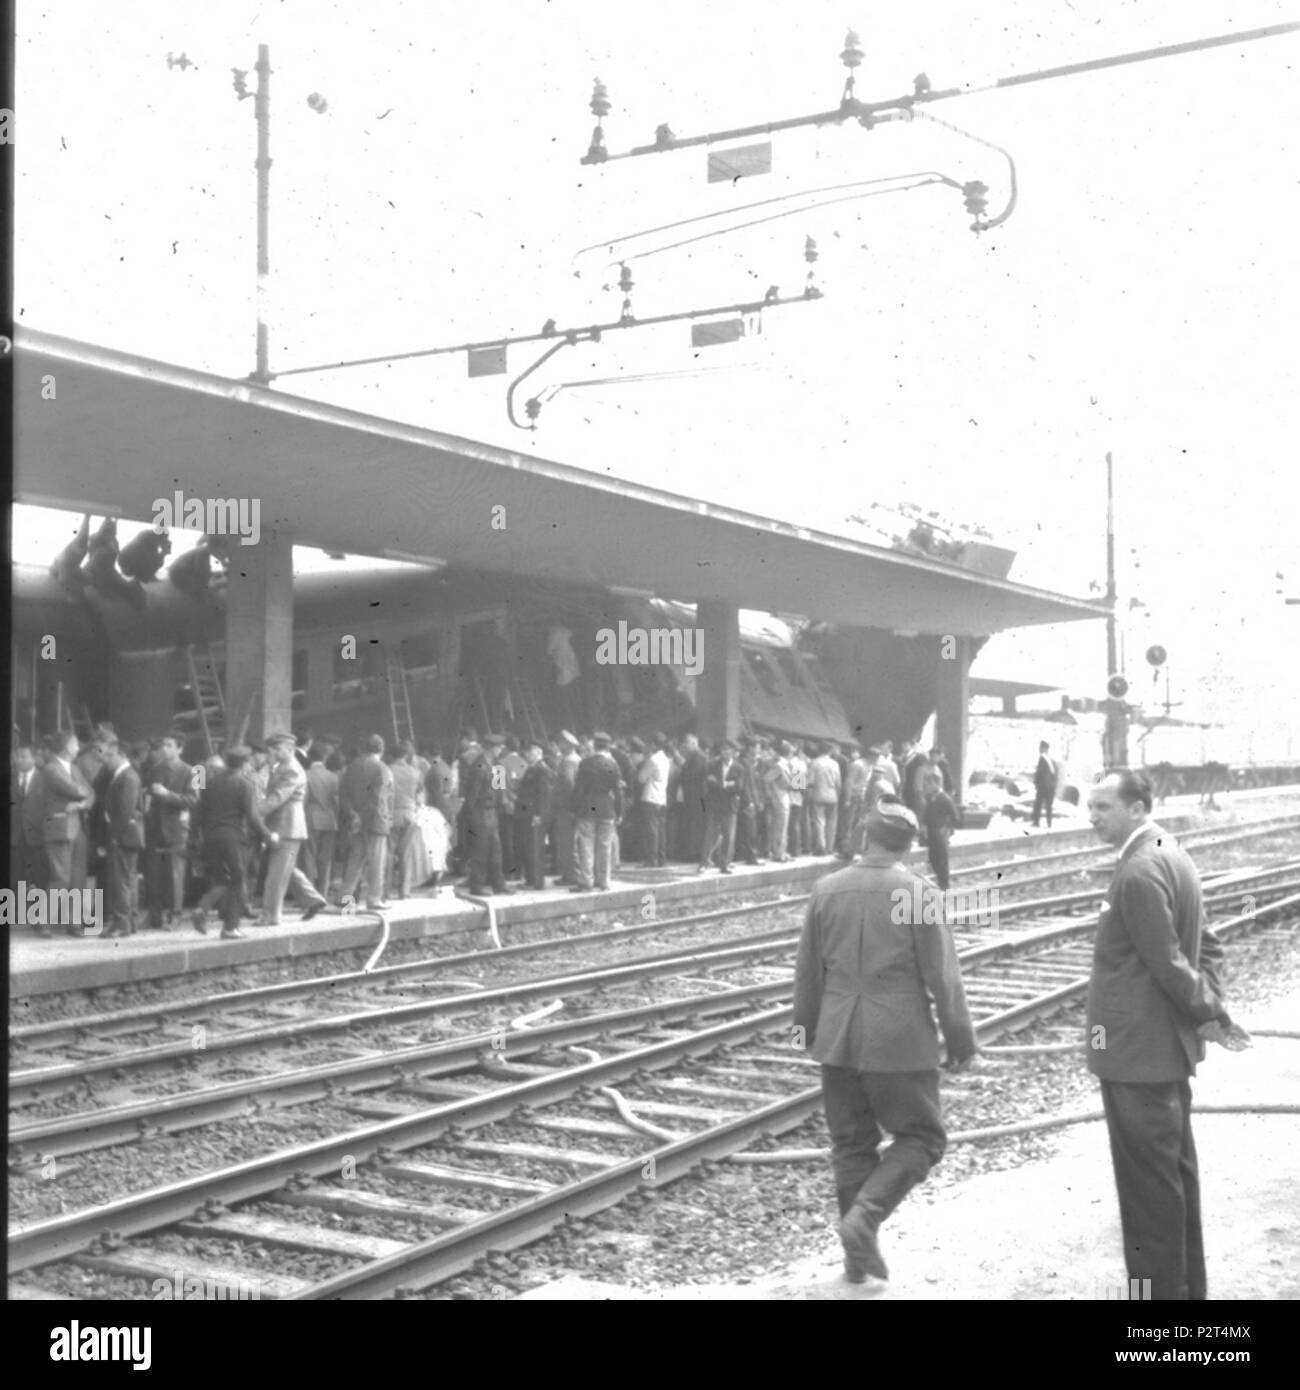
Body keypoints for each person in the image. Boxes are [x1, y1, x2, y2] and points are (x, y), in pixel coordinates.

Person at [793, 800, 977, 1285]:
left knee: (852, 1146)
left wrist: (808, 1033)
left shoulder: (826, 889)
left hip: (837, 1038)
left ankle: (856, 1264)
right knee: (922, 1137)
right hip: (898, 1040)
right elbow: (943, 978)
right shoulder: (916, 892)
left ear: (863, 835)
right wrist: (960, 1039)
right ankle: (865, 1218)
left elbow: (808, 973)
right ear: (910, 844)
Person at [1086, 769, 1249, 1301]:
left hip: (1136, 1055)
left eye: (1104, 807)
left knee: (1147, 1191)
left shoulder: (1138, 870)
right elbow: (1209, 946)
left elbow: (1170, 962)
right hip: (1163, 1051)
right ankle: (1185, 1298)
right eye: (1091, 807)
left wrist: (1212, 1013)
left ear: (1137, 808)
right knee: (1174, 1178)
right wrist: (1209, 1009)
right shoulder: (1172, 852)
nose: (1093, 818)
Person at [193, 745, 278, 939]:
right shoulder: (244, 784)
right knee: (238, 881)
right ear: (245, 763)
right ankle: (230, 927)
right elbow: (253, 817)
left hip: (211, 837)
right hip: (233, 839)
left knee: (222, 879)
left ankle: (203, 908)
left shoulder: (211, 782)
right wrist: (269, 835)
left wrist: (195, 837)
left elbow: (199, 811)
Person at [258, 732, 328, 925]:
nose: (272, 751)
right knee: (285, 868)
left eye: (277, 748)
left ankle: (271, 916)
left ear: (290, 749)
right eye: (271, 748)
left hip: (286, 825)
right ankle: (313, 900)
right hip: (284, 825)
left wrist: (253, 812)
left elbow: (277, 798)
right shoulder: (281, 767)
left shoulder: (291, 770)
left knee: (276, 874)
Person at [38, 730, 95, 933]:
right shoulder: (51, 769)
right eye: (76, 744)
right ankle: (44, 922)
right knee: (61, 877)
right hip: (60, 827)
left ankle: (75, 922)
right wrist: (84, 796)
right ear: (66, 747)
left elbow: (91, 793)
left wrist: (81, 805)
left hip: (78, 827)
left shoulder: (74, 768)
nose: (78, 747)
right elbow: (78, 790)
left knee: (78, 877)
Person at [144, 731, 197, 930]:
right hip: (155, 827)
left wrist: (167, 794)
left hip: (177, 829)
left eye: (169, 745)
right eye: (163, 745)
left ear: (180, 749)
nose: (165, 749)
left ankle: (175, 915)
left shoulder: (192, 771)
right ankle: (154, 915)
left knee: (176, 874)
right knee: (153, 874)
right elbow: (148, 793)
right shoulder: (155, 769)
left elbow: (192, 800)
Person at [338, 734, 395, 910]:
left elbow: (343, 795)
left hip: (356, 821)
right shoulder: (382, 768)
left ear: (363, 748)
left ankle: (346, 899)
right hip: (376, 821)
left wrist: (354, 815)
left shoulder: (351, 767)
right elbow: (379, 799)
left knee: (355, 861)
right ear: (381, 749)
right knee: (377, 862)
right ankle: (374, 899)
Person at [100, 740, 146, 937]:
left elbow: (125, 810)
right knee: (127, 880)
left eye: (111, 755)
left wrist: (116, 835)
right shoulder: (125, 775)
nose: (107, 759)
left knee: (120, 880)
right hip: (128, 835)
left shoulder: (127, 777)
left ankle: (121, 924)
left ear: (122, 755)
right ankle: (128, 922)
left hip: (123, 835)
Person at [461, 734, 514, 896]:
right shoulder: (479, 766)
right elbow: (472, 794)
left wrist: (502, 808)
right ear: (492, 748)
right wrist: (467, 814)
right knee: (480, 850)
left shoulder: (496, 765)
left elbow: (500, 791)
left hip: (492, 812)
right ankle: (476, 886)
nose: (501, 750)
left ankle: (499, 884)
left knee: (496, 850)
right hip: (480, 811)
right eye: (499, 748)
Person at [572, 731, 623, 892]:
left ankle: (586, 881)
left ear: (594, 745)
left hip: (588, 807)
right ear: (608, 747)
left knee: (586, 845)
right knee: (605, 847)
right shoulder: (613, 765)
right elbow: (618, 791)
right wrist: (619, 812)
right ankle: (604, 881)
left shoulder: (585, 763)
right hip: (607, 808)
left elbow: (579, 789)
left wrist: (575, 808)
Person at [515, 739, 555, 890]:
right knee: (529, 847)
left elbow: (544, 794)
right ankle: (530, 879)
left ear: (538, 752)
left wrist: (539, 814)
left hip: (534, 814)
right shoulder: (533, 768)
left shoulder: (541, 770)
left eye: (530, 751)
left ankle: (536, 881)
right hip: (528, 813)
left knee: (535, 848)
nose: (527, 754)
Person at [303, 743, 340, 897]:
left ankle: (310, 896)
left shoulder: (305, 774)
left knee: (309, 857)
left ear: (310, 757)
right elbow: (336, 801)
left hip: (311, 819)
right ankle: (323, 894)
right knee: (325, 859)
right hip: (329, 820)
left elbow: (304, 800)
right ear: (324, 758)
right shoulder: (333, 777)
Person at [699, 740, 741, 874]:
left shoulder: (738, 768)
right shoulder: (712, 765)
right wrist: (726, 784)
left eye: (728, 750)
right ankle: (704, 862)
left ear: (733, 753)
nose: (725, 753)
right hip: (715, 805)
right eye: (723, 750)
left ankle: (725, 864)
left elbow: (739, 787)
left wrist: (721, 784)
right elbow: (709, 782)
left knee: (728, 836)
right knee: (710, 834)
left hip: (729, 806)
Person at [10, 742, 46, 893]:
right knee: (14, 875)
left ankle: (40, 911)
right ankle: (13, 910)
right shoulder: (9, 777)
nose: (19, 760)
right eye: (17, 756)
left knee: (40, 875)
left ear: (34, 759)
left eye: (23, 757)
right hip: (15, 834)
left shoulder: (45, 778)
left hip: (38, 834)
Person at [921, 769, 960, 891]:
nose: (926, 787)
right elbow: (927, 814)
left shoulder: (945, 798)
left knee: (942, 858)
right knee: (933, 857)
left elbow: (955, 817)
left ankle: (944, 884)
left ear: (936, 784)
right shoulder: (929, 798)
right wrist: (923, 825)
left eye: (928, 784)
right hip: (931, 831)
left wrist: (947, 827)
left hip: (941, 832)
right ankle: (939, 880)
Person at [637, 735, 671, 867]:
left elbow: (641, 778)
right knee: (661, 830)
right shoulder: (666, 759)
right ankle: (661, 858)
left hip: (650, 797)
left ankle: (651, 859)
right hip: (662, 798)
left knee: (651, 830)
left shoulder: (653, 760)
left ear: (653, 745)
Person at [677, 732, 708, 864]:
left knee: (697, 823)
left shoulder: (698, 757)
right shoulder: (695, 756)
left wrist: (682, 774)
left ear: (694, 743)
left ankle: (695, 852)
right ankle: (693, 851)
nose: (684, 746)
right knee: (695, 823)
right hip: (696, 796)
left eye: (687, 743)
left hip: (699, 796)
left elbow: (692, 775)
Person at [807, 742, 841, 855]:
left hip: (818, 794)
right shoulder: (835, 764)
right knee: (832, 822)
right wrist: (838, 794)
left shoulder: (814, 763)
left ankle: (821, 847)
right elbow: (838, 782)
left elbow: (810, 781)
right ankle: (830, 847)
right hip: (833, 795)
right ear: (829, 751)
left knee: (819, 821)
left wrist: (808, 795)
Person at [1032, 741, 1058, 829]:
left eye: (1040, 747)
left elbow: (1039, 773)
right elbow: (1055, 774)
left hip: (1043, 786)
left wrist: (1036, 783)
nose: (1039, 749)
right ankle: (1049, 822)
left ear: (1043, 748)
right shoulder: (1051, 759)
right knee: (1048, 805)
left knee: (1038, 804)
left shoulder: (1042, 758)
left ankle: (1036, 822)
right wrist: (1054, 785)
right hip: (1051, 787)